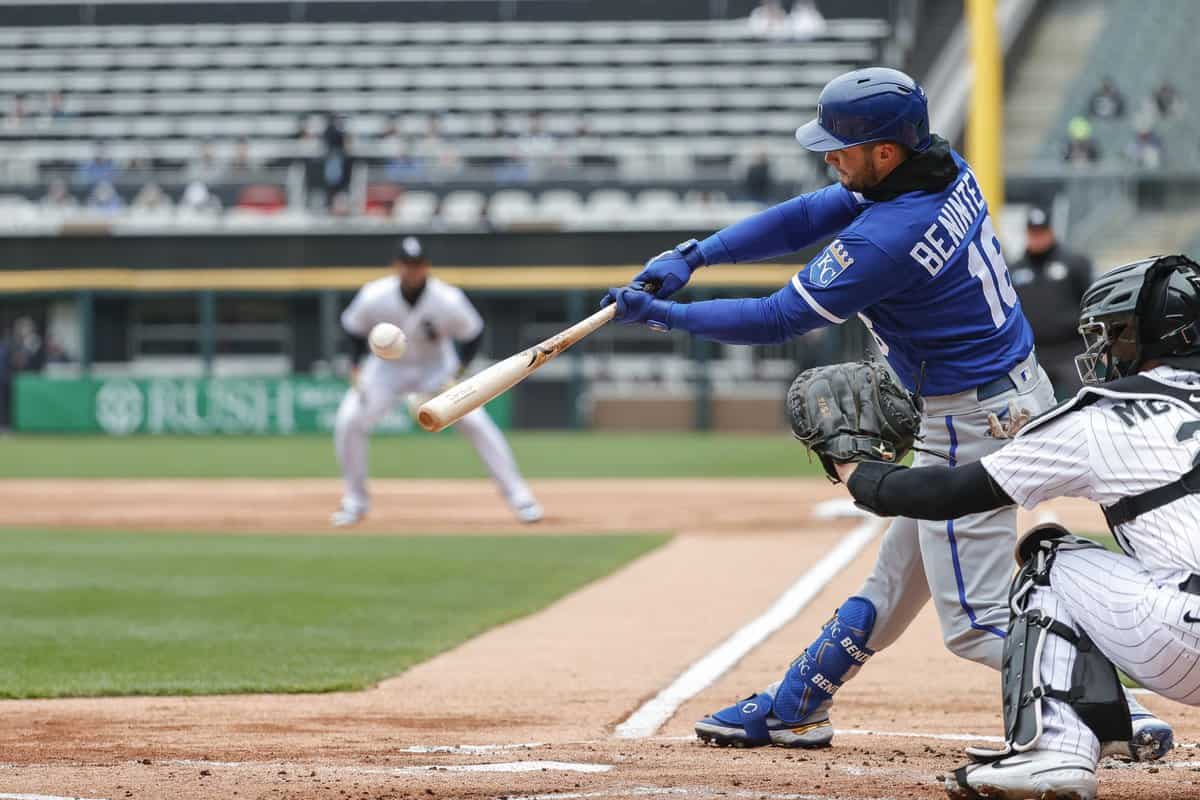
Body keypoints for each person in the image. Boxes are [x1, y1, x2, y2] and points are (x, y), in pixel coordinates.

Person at [602, 66, 1171, 757]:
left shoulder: (890, 234)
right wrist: (698, 254)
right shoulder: (940, 167)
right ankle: (796, 706)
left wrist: (664, 316)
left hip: (973, 420)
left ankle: (1123, 714)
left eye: (842, 147)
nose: (830, 158)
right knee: (898, 576)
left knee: (975, 619)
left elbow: (780, 316)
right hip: (992, 399)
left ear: (885, 151)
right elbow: (812, 212)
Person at [835, 254, 1200, 800]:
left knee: (1049, 558)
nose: (1101, 350)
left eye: (1110, 335)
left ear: (1140, 336)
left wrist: (853, 470)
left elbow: (950, 494)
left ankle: (1055, 750)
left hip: (1187, 641)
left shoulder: (1103, 414)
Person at [332, 236, 543, 527]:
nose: (412, 270)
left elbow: (473, 334)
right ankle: (355, 503)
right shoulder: (374, 295)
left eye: (417, 264)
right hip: (385, 371)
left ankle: (521, 498)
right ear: (397, 265)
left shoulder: (447, 299)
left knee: (477, 424)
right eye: (407, 264)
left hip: (436, 370)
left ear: (426, 266)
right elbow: (353, 329)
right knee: (349, 420)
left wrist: (456, 373)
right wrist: (355, 366)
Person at [1009, 206, 1093, 397]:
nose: (1037, 238)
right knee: (1030, 408)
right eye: (1033, 233)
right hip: (1033, 354)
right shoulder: (1014, 270)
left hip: (1070, 350)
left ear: (1051, 232)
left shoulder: (1074, 263)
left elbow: (1090, 304)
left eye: (1042, 232)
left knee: (1083, 400)